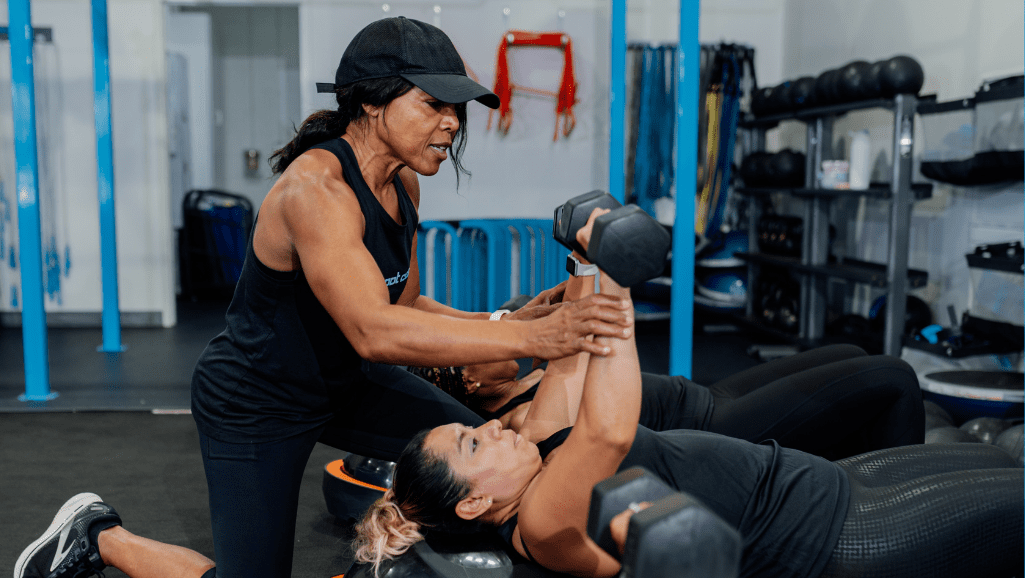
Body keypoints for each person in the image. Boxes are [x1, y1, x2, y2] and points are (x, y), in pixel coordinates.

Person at [188, 15, 631, 578]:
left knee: (507, 462)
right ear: (372, 104)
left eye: (456, 110)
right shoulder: (315, 191)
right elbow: (374, 331)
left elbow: (404, 306)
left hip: (348, 384)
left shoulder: (403, 182)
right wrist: (531, 336)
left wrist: (505, 318)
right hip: (256, 401)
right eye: (433, 105)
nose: (451, 124)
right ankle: (101, 535)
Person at [353, 210, 1024, 578]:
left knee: (1008, 467)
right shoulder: (541, 522)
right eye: (474, 441)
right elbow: (608, 431)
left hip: (826, 483)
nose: (493, 429)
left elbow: (568, 360)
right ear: (474, 502)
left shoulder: (531, 446)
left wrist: (585, 253)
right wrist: (617, 278)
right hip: (831, 537)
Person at [410, 339, 925, 461]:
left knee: (853, 352)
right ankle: (892, 495)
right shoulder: (521, 418)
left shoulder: (518, 385)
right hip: (719, 425)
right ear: (468, 383)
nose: (493, 339)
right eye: (475, 350)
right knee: (893, 375)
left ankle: (852, 458)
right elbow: (583, 327)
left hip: (705, 392)